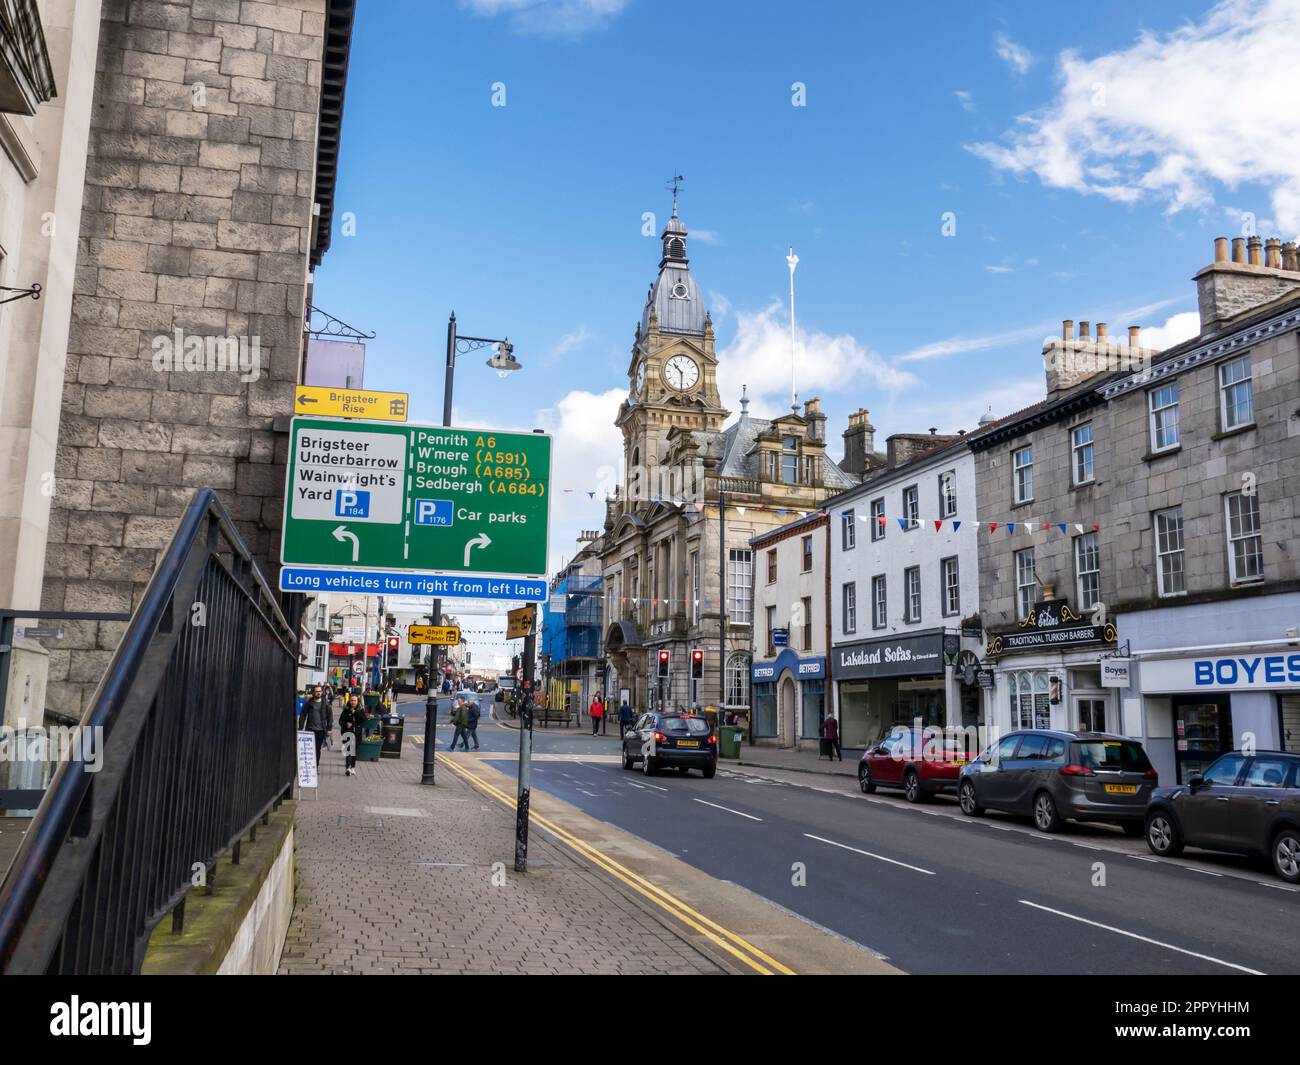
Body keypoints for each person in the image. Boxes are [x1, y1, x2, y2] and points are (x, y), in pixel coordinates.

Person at [298, 686, 330, 765]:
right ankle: (309, 766)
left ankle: (315, 766)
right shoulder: (309, 703)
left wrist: (329, 728)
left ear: (322, 692)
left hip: (321, 730)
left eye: (320, 691)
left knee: (317, 749)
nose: (318, 693)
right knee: (309, 749)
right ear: (314, 693)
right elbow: (303, 714)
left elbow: (330, 717)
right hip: (310, 730)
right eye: (316, 691)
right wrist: (301, 727)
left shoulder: (325, 703)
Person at [338, 694, 363, 777]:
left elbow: (363, 720)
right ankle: (347, 768)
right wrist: (346, 724)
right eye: (352, 700)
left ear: (357, 701)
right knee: (349, 751)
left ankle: (353, 767)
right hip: (347, 733)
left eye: (355, 700)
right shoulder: (346, 710)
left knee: (354, 752)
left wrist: (355, 712)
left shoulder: (360, 710)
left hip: (357, 733)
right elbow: (340, 721)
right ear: (349, 701)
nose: (353, 702)